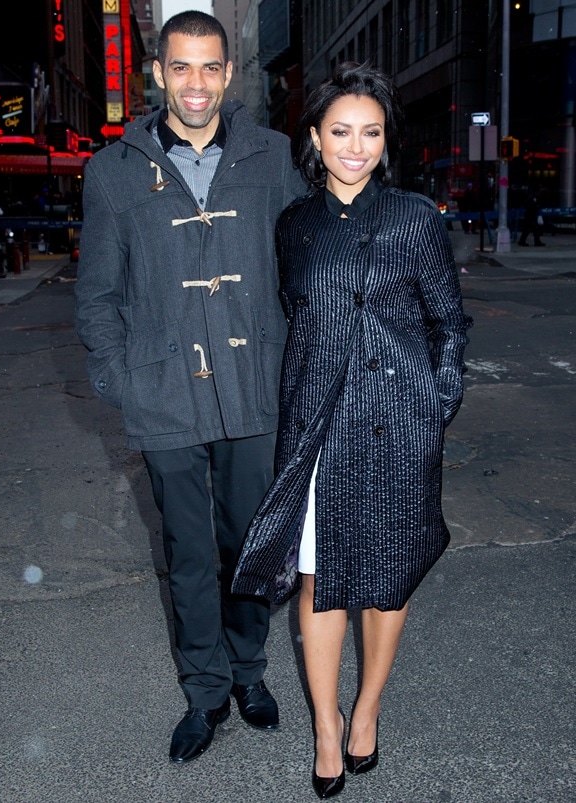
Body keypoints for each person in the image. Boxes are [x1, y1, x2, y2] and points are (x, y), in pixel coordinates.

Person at [233, 62, 472, 799]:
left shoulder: (412, 219)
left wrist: (435, 404)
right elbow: (298, 316)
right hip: (319, 424)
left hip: (399, 424)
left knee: (389, 576)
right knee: (321, 576)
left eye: (370, 132)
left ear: (384, 140)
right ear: (315, 136)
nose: (355, 146)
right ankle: (326, 728)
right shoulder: (295, 225)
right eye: (340, 131)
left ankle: (366, 709)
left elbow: (449, 324)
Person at [74, 10, 306, 764]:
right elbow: (98, 294)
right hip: (163, 390)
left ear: (229, 72)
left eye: (210, 67)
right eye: (181, 67)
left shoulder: (273, 156)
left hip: (253, 386)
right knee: (187, 546)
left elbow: (305, 265)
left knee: (248, 544)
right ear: (159, 72)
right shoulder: (113, 170)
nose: (196, 84)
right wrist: (120, 381)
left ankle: (249, 670)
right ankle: (205, 691)